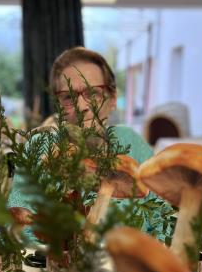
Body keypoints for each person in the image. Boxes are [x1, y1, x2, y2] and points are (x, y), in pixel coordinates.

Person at [8, 47, 153, 209]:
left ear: (112, 99)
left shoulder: (131, 141)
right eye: (67, 97)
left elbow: (163, 215)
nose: (81, 107)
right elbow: (19, 216)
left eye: (93, 93)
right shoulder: (39, 147)